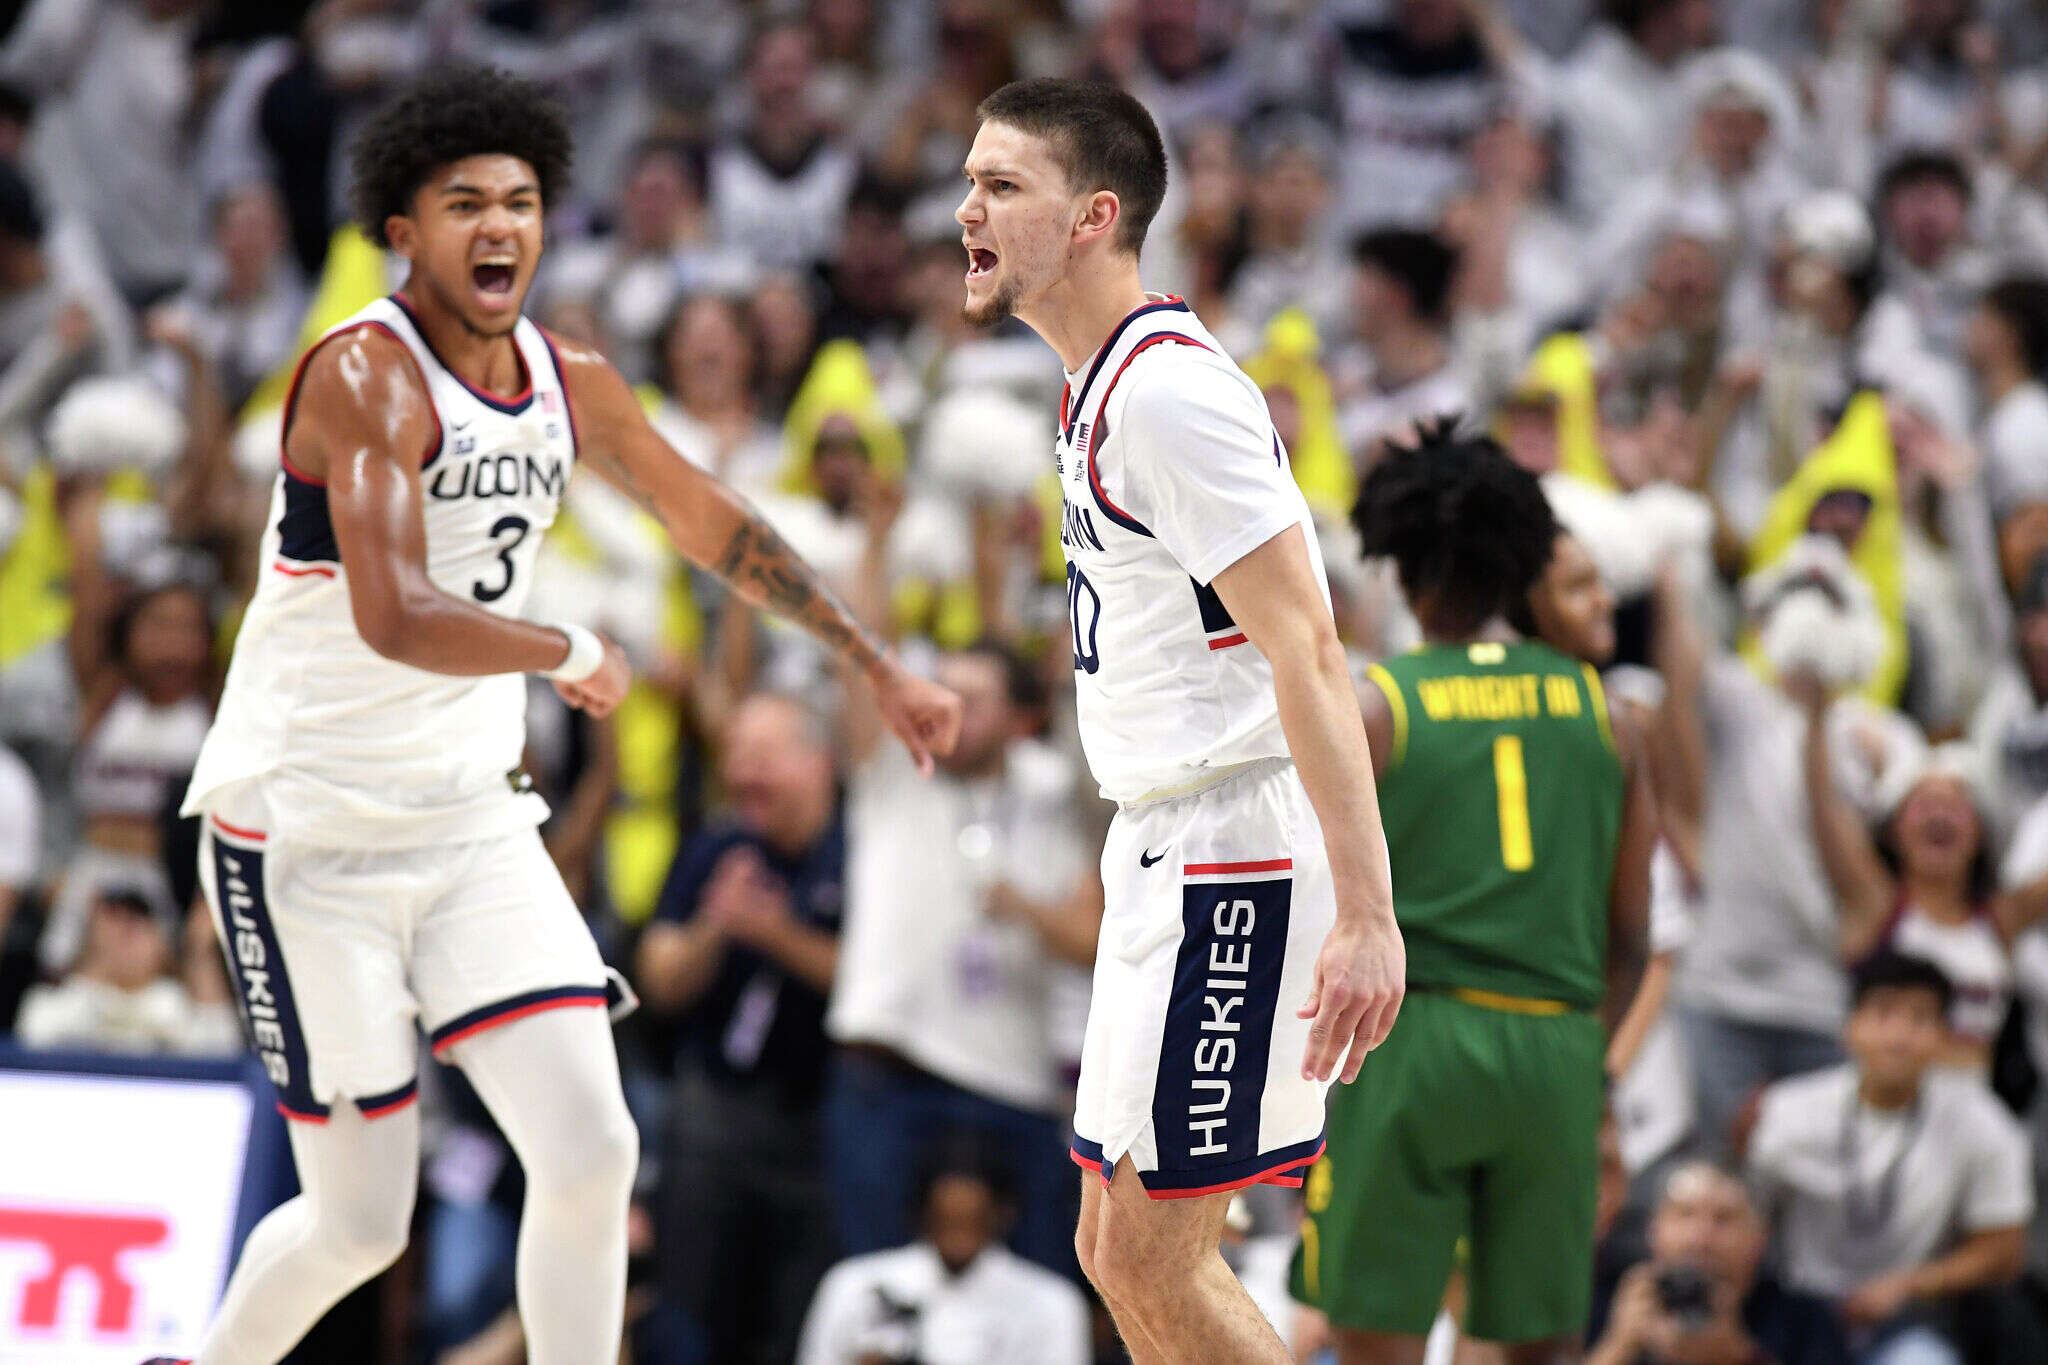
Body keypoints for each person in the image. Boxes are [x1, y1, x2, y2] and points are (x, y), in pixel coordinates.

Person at [161, 66, 959, 1365]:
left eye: (521, 202)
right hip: (302, 834)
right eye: (463, 202)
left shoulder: (569, 377)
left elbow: (711, 516)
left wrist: (874, 659)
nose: (498, 227)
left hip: (469, 823)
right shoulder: (362, 378)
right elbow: (394, 611)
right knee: (359, 1223)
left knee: (592, 1150)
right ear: (402, 231)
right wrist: (566, 643)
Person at [955, 77, 1405, 1364]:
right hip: (1165, 837)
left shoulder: (1166, 392)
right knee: (1112, 1245)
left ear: (1094, 216)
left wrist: (1367, 917)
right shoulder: (1095, 384)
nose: (963, 210)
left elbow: (1310, 650)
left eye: (1000, 187)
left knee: (1155, 1246)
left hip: (1237, 846)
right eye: (969, 180)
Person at [1291, 432, 1654, 1365]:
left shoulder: (1378, 705)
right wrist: (1585, 1058)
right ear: (1523, 565)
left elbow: (1318, 904)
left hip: (1412, 1043)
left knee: (1376, 1341)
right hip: (1558, 1041)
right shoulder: (1611, 715)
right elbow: (1633, 937)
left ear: (1402, 569)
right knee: (1539, 1347)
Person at [635, 691, 849, 1365]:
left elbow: (874, 984)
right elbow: (658, 979)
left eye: (762, 757)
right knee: (690, 1311)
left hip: (816, 1116)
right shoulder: (719, 843)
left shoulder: (857, 851)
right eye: (735, 755)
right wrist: (716, 926)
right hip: (713, 1108)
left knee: (797, 1316)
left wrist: (776, 933)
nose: (743, 773)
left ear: (818, 762)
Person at [1746, 951, 2037, 1365]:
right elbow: (1748, 1220)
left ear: (1945, 1037)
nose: (1899, 1037)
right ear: (1849, 1027)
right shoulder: (1787, 1111)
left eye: (1920, 1019)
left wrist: (1910, 1285)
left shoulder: (1982, 1123)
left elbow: (2005, 1250)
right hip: (1794, 1307)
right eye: (1882, 1014)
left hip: (1909, 1316)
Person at [796, 1136, 1091, 1365]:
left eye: (973, 1221)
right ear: (922, 1213)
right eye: (946, 1220)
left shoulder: (1052, 1304)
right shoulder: (854, 1284)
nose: (959, 1238)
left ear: (1004, 1214)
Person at [1586, 1161, 1851, 1365]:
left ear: (1760, 1237)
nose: (1701, 1237)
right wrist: (1619, 1345)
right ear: (1653, 1230)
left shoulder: (1804, 1320)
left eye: (1724, 1219)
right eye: (1684, 1215)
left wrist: (1738, 1356)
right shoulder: (1612, 1303)